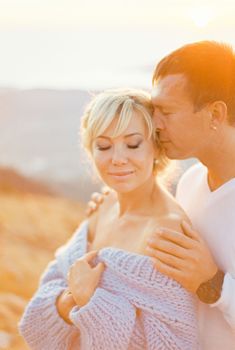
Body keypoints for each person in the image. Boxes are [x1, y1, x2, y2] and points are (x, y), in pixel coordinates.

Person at [19, 88, 199, 349]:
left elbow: (172, 341)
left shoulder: (167, 230)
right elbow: (56, 281)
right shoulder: (103, 205)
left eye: (133, 144)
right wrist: (71, 299)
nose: (117, 159)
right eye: (104, 146)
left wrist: (91, 299)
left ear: (156, 148)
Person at [88, 41, 235, 350]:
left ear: (215, 114)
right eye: (155, 110)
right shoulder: (191, 181)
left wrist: (213, 284)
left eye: (167, 111)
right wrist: (115, 206)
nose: (155, 124)